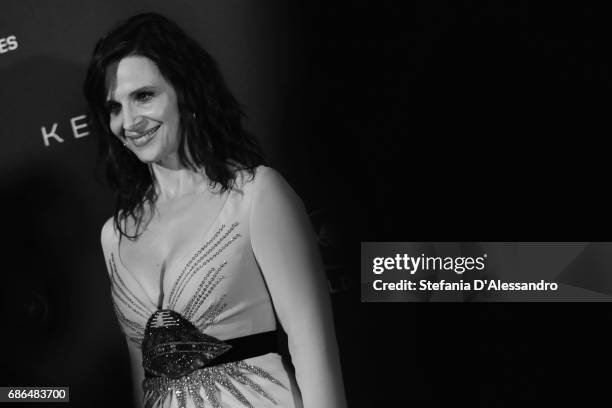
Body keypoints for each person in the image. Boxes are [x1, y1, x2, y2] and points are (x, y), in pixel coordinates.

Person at [83, 12, 346, 408]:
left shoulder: (256, 195)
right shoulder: (114, 236)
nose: (129, 121)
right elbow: (143, 380)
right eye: (115, 107)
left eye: (144, 96)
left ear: (185, 91)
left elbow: (314, 349)